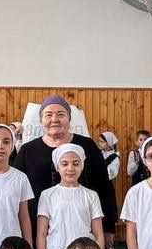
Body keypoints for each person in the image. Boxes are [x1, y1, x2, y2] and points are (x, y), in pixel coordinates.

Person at [12, 95, 116, 241]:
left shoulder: (87, 146)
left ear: (69, 119)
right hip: (36, 229)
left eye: (61, 114)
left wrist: (108, 227)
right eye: (48, 115)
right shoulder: (28, 150)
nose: (54, 119)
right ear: (41, 120)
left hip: (81, 228)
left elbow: (103, 186)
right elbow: (15, 190)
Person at [34, 143, 104, 249]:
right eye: (64, 164)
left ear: (82, 166)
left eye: (75, 163)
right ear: (57, 167)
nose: (70, 168)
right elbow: (41, 234)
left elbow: (99, 235)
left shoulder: (91, 195)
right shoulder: (47, 195)